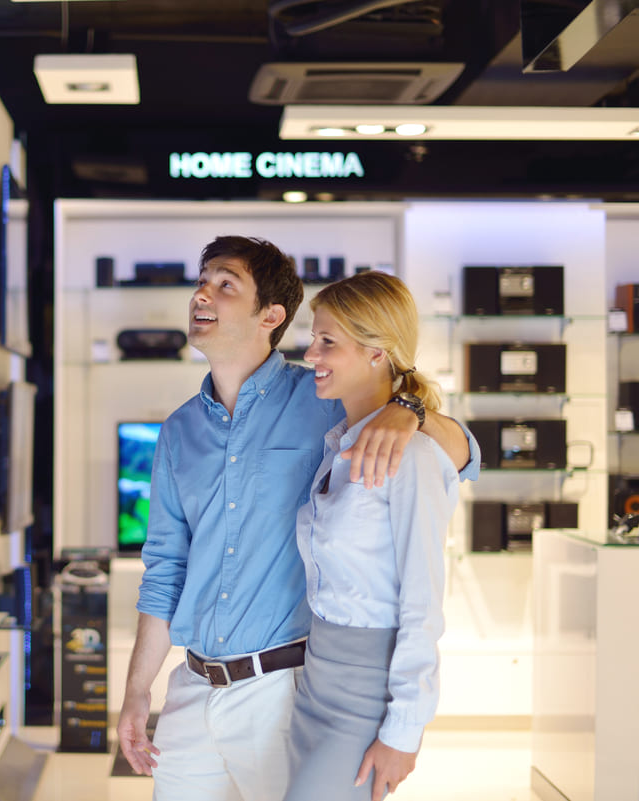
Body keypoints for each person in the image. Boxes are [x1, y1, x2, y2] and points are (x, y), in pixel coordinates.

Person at [115, 236, 478, 801]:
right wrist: (138, 692)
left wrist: (407, 412)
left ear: (272, 316)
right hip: (189, 689)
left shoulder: (325, 396)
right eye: (201, 280)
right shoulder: (178, 431)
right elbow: (165, 570)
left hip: (282, 691)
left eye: (224, 283)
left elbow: (464, 453)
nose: (201, 293)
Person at [284, 271, 458, 801]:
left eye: (327, 342)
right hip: (314, 680)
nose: (311, 353)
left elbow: (423, 602)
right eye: (314, 338)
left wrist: (404, 729)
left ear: (379, 353)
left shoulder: (415, 457)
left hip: (367, 691)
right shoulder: (337, 444)